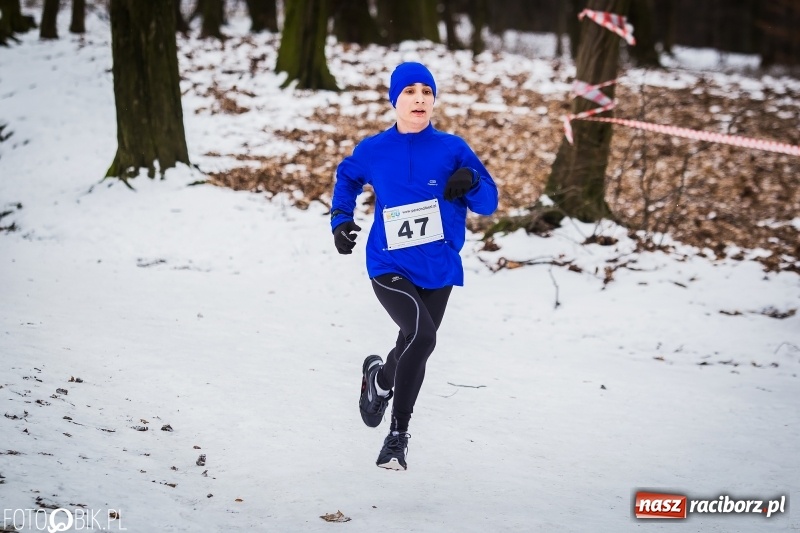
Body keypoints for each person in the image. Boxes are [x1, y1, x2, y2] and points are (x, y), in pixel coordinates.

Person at [329, 61, 498, 471]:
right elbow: (347, 178)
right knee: (423, 337)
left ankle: (379, 380)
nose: (419, 98)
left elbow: (488, 203)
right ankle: (397, 437)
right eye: (409, 91)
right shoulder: (374, 150)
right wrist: (340, 218)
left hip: (438, 268)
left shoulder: (453, 149)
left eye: (427, 91)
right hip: (388, 262)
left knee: (411, 342)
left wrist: (472, 181)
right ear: (395, 99)